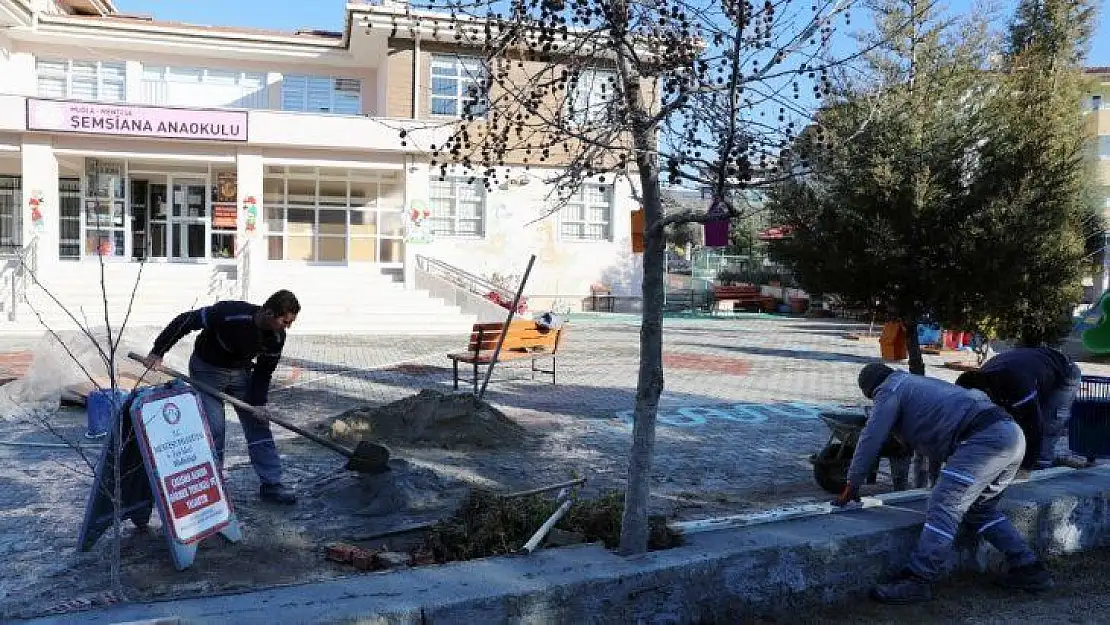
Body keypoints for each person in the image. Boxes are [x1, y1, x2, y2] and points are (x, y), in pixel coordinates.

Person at [834, 363, 1053, 604]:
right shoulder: (916, 384)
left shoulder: (889, 389)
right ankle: (1029, 568)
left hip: (984, 439)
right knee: (980, 510)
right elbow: (939, 431)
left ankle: (918, 579)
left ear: (872, 390)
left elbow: (871, 437)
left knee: (943, 505)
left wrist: (852, 484)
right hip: (1010, 434)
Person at [143, 290, 301, 505]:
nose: (288, 326)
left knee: (258, 423)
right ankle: (213, 486)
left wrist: (259, 404)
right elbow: (185, 320)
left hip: (240, 372)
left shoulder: (277, 337)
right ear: (269, 312)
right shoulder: (230, 313)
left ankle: (272, 484)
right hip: (207, 370)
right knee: (214, 428)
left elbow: (264, 371)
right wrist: (158, 351)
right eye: (285, 321)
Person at [955, 346, 1083, 470]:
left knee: (1049, 422)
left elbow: (1033, 425)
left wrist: (1026, 467)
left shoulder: (1018, 386)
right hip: (1035, 367)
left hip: (1065, 372)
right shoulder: (982, 377)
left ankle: (1040, 465)